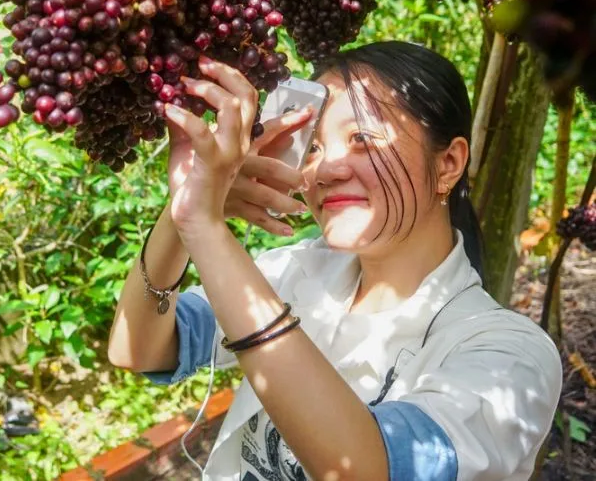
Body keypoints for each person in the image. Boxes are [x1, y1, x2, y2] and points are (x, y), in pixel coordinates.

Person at [107, 41, 562, 481]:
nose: (325, 170)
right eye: (315, 147)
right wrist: (181, 213)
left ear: (448, 164)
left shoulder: (510, 357)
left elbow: (368, 470)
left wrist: (207, 230)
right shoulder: (295, 271)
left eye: (362, 138)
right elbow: (139, 348)